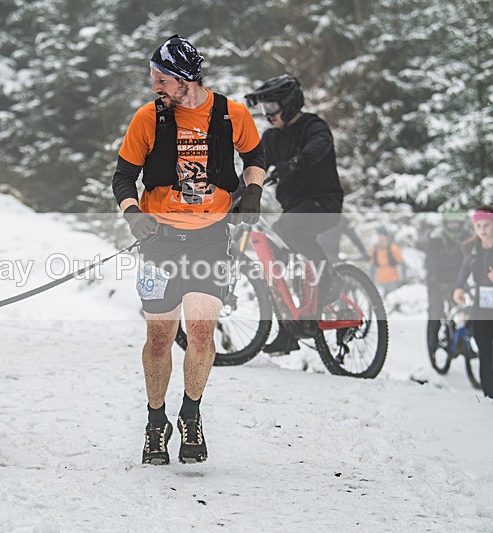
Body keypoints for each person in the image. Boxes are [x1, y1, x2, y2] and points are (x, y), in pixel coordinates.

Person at [111, 35, 266, 465]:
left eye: (162, 80)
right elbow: (123, 177)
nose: (155, 88)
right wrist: (132, 214)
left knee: (200, 334)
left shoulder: (230, 114)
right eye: (154, 80)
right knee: (159, 339)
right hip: (158, 242)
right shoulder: (148, 118)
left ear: (186, 80)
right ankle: (155, 421)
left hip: (209, 239)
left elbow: (255, 156)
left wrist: (253, 192)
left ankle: (190, 414)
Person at [243, 74, 345, 355]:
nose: (268, 115)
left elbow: (319, 146)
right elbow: (256, 167)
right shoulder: (272, 137)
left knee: (289, 228)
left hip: (324, 204)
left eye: (271, 107)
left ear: (288, 104)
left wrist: (295, 163)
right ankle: (289, 330)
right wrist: (234, 194)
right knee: (272, 259)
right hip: (294, 209)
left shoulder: (314, 126)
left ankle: (329, 278)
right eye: (264, 109)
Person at [453, 206, 493, 398]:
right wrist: (459, 287)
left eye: (486, 225)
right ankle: (489, 394)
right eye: (478, 226)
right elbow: (464, 268)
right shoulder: (473, 248)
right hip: (482, 304)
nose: (482, 230)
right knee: (484, 347)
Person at [424, 210, 469, 357]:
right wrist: (433, 279)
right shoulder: (436, 238)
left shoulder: (466, 237)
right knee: (435, 310)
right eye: (451, 223)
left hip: (457, 280)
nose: (454, 226)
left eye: (457, 223)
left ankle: (462, 343)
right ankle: (432, 344)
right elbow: (430, 261)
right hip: (437, 280)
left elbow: (470, 259)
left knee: (461, 310)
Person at [368, 226, 406, 298]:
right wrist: (370, 280)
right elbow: (371, 266)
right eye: (379, 236)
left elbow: (402, 263)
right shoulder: (374, 250)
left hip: (393, 282)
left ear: (386, 237)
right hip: (380, 282)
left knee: (393, 300)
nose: (380, 238)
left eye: (382, 236)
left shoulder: (392, 248)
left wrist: (403, 279)